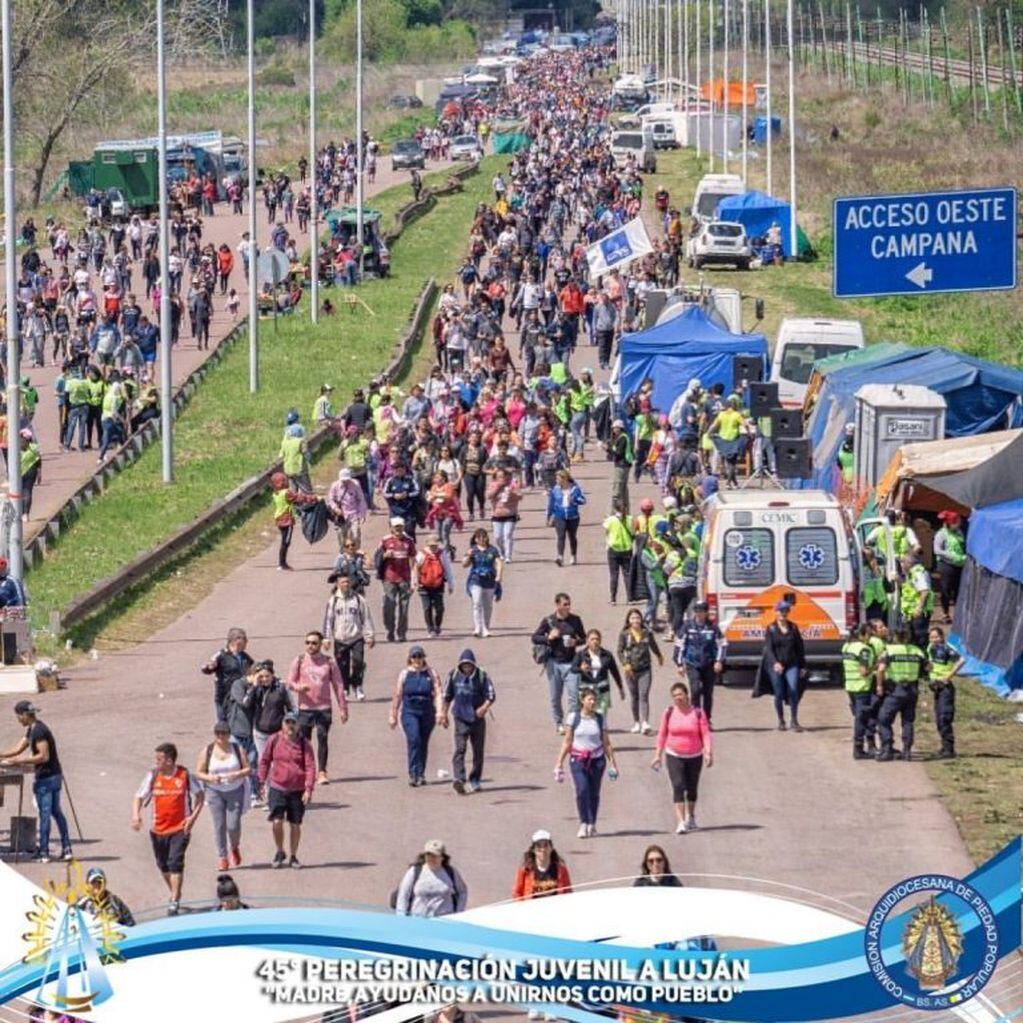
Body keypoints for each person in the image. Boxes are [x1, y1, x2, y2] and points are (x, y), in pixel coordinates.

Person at [131, 742, 205, 915]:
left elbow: (200, 797)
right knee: (163, 865)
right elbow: (138, 796)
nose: (156, 762)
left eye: (159, 759)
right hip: (158, 830)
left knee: (175, 863)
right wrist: (136, 815)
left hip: (180, 829)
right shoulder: (153, 775)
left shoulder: (184, 775)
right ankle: (175, 892)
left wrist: (192, 818)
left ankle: (174, 900)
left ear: (170, 761)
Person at [0, 701, 72, 863]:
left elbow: (43, 756)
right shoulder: (32, 730)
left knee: (45, 814)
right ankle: (67, 848)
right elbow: (18, 748)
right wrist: (2, 756)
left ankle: (44, 852)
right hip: (54, 775)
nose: (18, 719)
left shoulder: (39, 730)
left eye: (18, 716)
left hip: (47, 778)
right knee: (56, 812)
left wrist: (19, 761)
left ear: (24, 715)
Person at [554, 686, 619, 839]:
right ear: (582, 701)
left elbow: (606, 743)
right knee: (582, 790)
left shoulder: (600, 718)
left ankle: (592, 823)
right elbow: (567, 741)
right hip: (578, 760)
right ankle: (583, 822)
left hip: (597, 760)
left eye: (594, 699)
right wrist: (559, 763)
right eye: (590, 699)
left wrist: (613, 764)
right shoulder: (573, 718)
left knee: (594, 792)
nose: (593, 702)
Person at [287, 631, 349, 786]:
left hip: (323, 708)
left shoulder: (329, 662)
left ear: (321, 644)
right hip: (305, 708)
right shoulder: (300, 660)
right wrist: (299, 688)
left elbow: (338, 685)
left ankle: (322, 771)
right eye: (307, 642)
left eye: (314, 643)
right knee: (305, 741)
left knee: (322, 737)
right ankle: (307, 770)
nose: (310, 646)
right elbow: (289, 682)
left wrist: (343, 708)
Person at [651, 681, 713, 833]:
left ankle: (690, 816)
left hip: (695, 755)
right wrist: (657, 755)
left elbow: (705, 734)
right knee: (678, 785)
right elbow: (662, 734)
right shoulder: (669, 712)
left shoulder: (697, 713)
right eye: (674, 696)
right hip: (674, 754)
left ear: (686, 695)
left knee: (692, 787)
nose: (677, 698)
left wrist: (708, 752)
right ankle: (680, 822)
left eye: (680, 694)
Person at [257, 710, 315, 868]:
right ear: (283, 725)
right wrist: (261, 782)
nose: (290, 726)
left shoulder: (304, 744)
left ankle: (293, 856)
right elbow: (264, 761)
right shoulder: (274, 740)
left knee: (295, 824)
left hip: (297, 790)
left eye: (293, 723)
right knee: (276, 822)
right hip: (277, 787)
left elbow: (310, 767)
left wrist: (308, 788)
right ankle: (279, 851)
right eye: (287, 723)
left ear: (298, 726)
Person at [194, 721, 251, 870]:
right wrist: (210, 778)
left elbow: (248, 769)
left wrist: (237, 774)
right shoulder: (208, 751)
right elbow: (198, 773)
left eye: (224, 733)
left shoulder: (237, 749)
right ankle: (222, 856)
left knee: (233, 825)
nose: (221, 736)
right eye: (218, 733)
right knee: (219, 825)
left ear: (229, 735)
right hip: (214, 792)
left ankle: (234, 846)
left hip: (235, 790)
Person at [389, 645, 446, 787]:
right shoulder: (404, 674)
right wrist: (393, 715)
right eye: (414, 656)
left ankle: (421, 773)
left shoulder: (431, 673)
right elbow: (397, 695)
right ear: (410, 658)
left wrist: (440, 712)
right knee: (414, 739)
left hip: (427, 711)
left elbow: (438, 693)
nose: (417, 659)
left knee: (423, 742)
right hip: (410, 711)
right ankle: (413, 773)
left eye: (420, 656)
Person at [442, 648, 495, 794]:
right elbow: (447, 696)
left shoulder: (482, 676)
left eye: (469, 665)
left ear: (473, 665)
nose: (467, 668)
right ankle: (459, 778)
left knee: (478, 752)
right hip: (460, 717)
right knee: (460, 748)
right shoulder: (453, 675)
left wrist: (484, 707)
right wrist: (443, 714)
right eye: (464, 665)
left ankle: (475, 779)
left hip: (477, 719)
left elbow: (491, 695)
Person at [532, 592, 586, 733]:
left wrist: (576, 642)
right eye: (565, 604)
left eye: (569, 604)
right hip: (553, 663)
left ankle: (572, 723)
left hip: (571, 663)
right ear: (557, 605)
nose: (568, 607)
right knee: (555, 696)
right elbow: (535, 637)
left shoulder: (575, 620)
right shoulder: (549, 621)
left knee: (574, 695)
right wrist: (549, 637)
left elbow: (584, 638)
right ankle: (559, 723)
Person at [322, 572, 376, 701]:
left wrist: (369, 636)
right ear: (338, 584)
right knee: (342, 666)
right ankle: (345, 688)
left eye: (347, 582)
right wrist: (326, 638)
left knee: (358, 662)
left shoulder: (358, 599)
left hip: (356, 637)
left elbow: (366, 618)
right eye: (343, 582)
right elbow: (328, 621)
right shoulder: (333, 601)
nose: (346, 584)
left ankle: (357, 685)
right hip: (340, 639)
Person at [876, 627, 926, 762]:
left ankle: (887, 749)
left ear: (895, 637)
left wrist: (879, 685)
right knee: (908, 721)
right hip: (912, 691)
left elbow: (880, 669)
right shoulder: (917, 651)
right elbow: (928, 667)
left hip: (895, 692)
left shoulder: (889, 651)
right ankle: (907, 751)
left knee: (883, 719)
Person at [673, 602, 725, 727]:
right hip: (692, 663)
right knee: (695, 691)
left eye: (702, 611)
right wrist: (679, 664)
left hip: (709, 664)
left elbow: (722, 645)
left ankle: (706, 720)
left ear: (706, 612)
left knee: (708, 693)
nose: (699, 613)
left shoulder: (713, 627)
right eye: (697, 611)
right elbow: (679, 645)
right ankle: (696, 719)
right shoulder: (687, 626)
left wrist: (719, 661)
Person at [617, 608, 664, 735]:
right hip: (630, 670)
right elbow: (619, 651)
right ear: (629, 620)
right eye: (633, 618)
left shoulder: (647, 632)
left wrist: (659, 656)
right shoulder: (624, 634)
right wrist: (625, 664)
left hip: (645, 669)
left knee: (644, 695)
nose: (636, 620)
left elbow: (653, 645)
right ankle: (636, 722)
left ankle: (645, 722)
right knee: (634, 696)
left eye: (638, 618)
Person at [762, 601, 807, 731]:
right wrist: (775, 663)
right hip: (775, 665)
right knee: (779, 693)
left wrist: (803, 666)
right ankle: (781, 720)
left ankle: (794, 720)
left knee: (793, 689)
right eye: (781, 611)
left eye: (786, 611)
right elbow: (768, 649)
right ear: (776, 612)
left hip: (792, 664)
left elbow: (800, 648)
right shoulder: (771, 629)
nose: (784, 613)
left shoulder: (793, 627)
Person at [394, 839, 468, 917]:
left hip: (443, 921)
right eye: (428, 855)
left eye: (435, 855)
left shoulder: (451, 872)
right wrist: (401, 917)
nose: (431, 858)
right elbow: (403, 895)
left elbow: (462, 892)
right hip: (418, 920)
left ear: (442, 857)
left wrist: (458, 913)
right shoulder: (415, 872)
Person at [375, 517, 417, 643]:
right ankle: (390, 630)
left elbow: (413, 561)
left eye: (400, 526)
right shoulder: (385, 540)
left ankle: (402, 633)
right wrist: (384, 556)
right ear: (391, 528)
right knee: (389, 606)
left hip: (404, 578)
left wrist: (414, 579)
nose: (398, 529)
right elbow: (377, 556)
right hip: (389, 578)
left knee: (404, 607)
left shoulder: (409, 541)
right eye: (396, 527)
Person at [841, 624, 878, 761]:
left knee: (859, 716)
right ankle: (858, 749)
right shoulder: (864, 649)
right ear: (864, 635)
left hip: (850, 685)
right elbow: (863, 672)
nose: (870, 639)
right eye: (870, 635)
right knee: (861, 719)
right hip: (862, 687)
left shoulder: (846, 646)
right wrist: (876, 666)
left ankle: (860, 747)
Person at [201, 627, 253, 723]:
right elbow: (207, 669)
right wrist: (209, 667)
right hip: (224, 696)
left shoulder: (245, 657)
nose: (246, 644)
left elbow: (253, 671)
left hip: (238, 695)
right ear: (234, 642)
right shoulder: (221, 655)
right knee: (223, 724)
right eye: (243, 641)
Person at [572, 629, 625, 720]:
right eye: (592, 639)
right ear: (587, 641)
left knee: (601, 715)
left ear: (600, 641)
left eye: (597, 639)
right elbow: (573, 669)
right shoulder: (581, 654)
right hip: (586, 689)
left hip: (602, 689)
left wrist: (620, 688)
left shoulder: (607, 655)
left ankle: (601, 731)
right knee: (586, 715)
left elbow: (615, 672)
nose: (595, 641)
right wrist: (581, 669)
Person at [927, 626, 961, 759]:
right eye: (931, 637)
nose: (934, 640)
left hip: (945, 687)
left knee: (944, 717)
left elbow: (961, 660)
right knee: (938, 717)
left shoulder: (947, 648)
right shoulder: (930, 648)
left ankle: (949, 749)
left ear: (942, 637)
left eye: (936, 637)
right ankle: (944, 747)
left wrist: (949, 676)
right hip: (935, 686)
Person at [462, 527, 503, 638]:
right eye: (479, 537)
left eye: (484, 536)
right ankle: (477, 627)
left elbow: (498, 562)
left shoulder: (492, 550)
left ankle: (486, 628)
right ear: (475, 539)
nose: (482, 539)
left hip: (490, 579)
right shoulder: (473, 550)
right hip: (476, 579)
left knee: (488, 605)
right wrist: (468, 556)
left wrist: (499, 575)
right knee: (477, 603)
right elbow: (464, 565)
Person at [512, 830, 572, 899]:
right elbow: (517, 893)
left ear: (551, 848)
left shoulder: (561, 869)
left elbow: (568, 892)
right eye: (538, 846)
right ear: (533, 849)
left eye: (546, 846)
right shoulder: (525, 870)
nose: (543, 850)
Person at [416, 533, 455, 638]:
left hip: (438, 584)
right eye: (431, 545)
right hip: (424, 584)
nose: (433, 547)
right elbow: (415, 568)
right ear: (427, 544)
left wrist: (451, 584)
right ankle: (430, 628)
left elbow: (448, 569)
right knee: (427, 607)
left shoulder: (442, 554)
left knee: (439, 608)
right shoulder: (421, 554)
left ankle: (437, 625)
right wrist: (414, 582)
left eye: (435, 545)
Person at [546, 469, 586, 567]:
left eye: (558, 478)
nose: (556, 480)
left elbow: (583, 500)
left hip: (573, 516)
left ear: (564, 479)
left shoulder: (575, 489)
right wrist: (549, 517)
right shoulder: (555, 490)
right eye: (556, 478)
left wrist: (574, 500)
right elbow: (551, 504)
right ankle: (560, 557)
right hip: (560, 516)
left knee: (572, 536)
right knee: (561, 536)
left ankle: (573, 555)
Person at [933, 511, 966, 624]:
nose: (959, 524)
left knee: (958, 589)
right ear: (949, 523)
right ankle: (945, 613)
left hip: (959, 564)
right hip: (946, 565)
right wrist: (952, 556)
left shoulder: (959, 532)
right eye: (957, 522)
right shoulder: (941, 534)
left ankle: (958, 614)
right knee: (946, 589)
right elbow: (937, 550)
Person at [900, 553, 934, 649]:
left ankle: (922, 657)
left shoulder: (918, 573)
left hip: (919, 612)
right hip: (911, 611)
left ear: (908, 563)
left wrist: (919, 608)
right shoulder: (911, 573)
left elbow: (924, 591)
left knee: (920, 637)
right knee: (913, 636)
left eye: (902, 562)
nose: (901, 565)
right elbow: (910, 588)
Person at [603, 500, 634, 604]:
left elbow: (606, 531)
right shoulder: (629, 519)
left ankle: (613, 599)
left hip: (613, 549)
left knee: (614, 574)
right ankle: (630, 598)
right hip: (627, 548)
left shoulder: (610, 520)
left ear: (615, 508)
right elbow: (633, 532)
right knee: (627, 574)